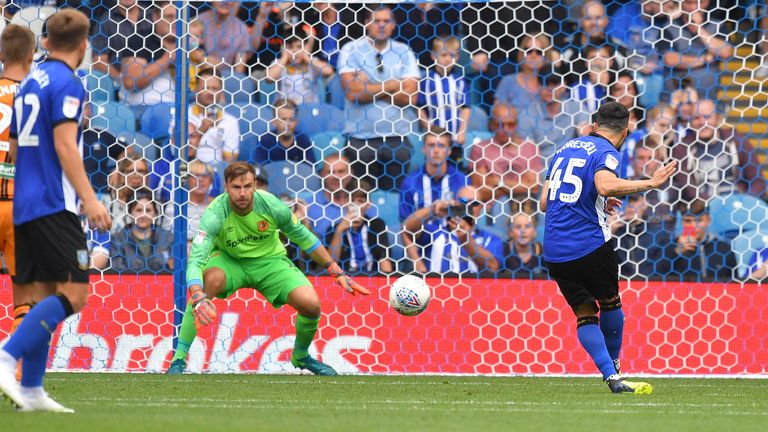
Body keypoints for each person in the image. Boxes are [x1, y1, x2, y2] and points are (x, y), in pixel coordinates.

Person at [0, 9, 112, 412]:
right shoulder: (68, 82)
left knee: (45, 292)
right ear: (84, 46)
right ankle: (7, 355)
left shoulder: (31, 81)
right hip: (53, 204)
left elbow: (13, 146)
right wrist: (91, 197)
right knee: (74, 293)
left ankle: (31, 389)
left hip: (23, 202)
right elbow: (65, 145)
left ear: (46, 41)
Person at [165, 162, 369, 375]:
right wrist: (198, 295)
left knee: (311, 304)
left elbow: (303, 236)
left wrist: (335, 270)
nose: (243, 193)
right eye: (236, 187)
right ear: (226, 187)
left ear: (255, 185)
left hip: (270, 262)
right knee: (209, 282)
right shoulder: (215, 214)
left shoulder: (271, 205)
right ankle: (178, 360)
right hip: (229, 261)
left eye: (248, 186)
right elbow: (196, 260)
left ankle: (301, 356)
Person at [540, 101, 676, 394]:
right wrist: (651, 183)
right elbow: (604, 185)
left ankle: (610, 378)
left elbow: (544, 202)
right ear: (626, 131)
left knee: (585, 313)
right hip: (588, 244)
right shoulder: (607, 152)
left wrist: (597, 200)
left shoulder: (565, 149)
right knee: (611, 302)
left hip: (554, 248)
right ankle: (615, 366)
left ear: (593, 125)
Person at [338, 4, 419, 191]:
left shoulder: (404, 52)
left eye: (386, 21)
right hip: (360, 139)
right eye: (376, 21)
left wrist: (369, 85)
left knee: (394, 199)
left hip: (396, 139)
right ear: (367, 23)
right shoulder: (350, 49)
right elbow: (353, 93)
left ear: (393, 24)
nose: (381, 25)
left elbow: (410, 97)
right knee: (361, 201)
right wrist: (393, 84)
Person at [0, 23, 36, 383]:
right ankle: (22, 378)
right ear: (31, 56)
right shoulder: (35, 96)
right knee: (25, 298)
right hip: (22, 206)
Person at [403, 185, 504, 274]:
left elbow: (493, 266)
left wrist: (466, 239)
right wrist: (432, 210)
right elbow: (407, 228)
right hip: (436, 289)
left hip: (472, 292)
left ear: (481, 207)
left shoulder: (489, 238)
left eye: (473, 203)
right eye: (463, 201)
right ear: (454, 202)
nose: (467, 206)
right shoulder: (434, 232)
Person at [418, 36, 471, 160]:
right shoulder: (426, 81)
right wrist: (429, 128)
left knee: (454, 168)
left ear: (457, 57)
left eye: (451, 55)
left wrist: (462, 132)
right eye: (443, 55)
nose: (447, 59)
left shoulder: (460, 81)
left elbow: (466, 108)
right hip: (435, 138)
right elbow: (420, 108)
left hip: (455, 139)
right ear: (433, 56)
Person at [326, 184, 393, 274]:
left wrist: (386, 281)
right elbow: (331, 264)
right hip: (345, 277)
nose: (356, 205)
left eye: (360, 201)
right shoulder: (334, 229)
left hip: (372, 275)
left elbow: (384, 257)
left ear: (368, 204)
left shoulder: (377, 225)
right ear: (345, 203)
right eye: (352, 201)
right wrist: (340, 230)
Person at [667, 199, 737, 282]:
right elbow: (657, 279)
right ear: (682, 222)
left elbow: (735, 284)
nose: (693, 225)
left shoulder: (724, 249)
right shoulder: (670, 247)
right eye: (688, 221)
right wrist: (677, 253)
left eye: (699, 220)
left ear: (708, 220)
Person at [265, 27, 334, 105]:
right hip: (285, 110)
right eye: (290, 47)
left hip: (308, 110)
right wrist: (284, 57)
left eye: (299, 47)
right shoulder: (279, 63)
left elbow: (328, 71)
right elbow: (269, 78)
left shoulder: (312, 64)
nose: (295, 51)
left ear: (306, 47)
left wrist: (307, 57)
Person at [110, 190, 173, 273]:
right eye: (139, 210)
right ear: (130, 213)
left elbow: (174, 269)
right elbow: (118, 271)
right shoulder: (118, 239)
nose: (143, 215)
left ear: (155, 213)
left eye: (148, 210)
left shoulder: (168, 237)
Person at [240, 98, 316, 164]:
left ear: (296, 122)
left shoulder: (302, 139)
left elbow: (310, 168)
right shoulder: (265, 140)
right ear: (274, 122)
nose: (288, 124)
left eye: (291, 120)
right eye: (283, 119)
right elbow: (261, 168)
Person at [188, 69, 240, 164]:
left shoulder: (230, 121)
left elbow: (230, 162)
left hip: (217, 173)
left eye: (214, 88)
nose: (210, 92)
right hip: (187, 168)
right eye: (205, 88)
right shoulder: (182, 116)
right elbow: (175, 152)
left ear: (221, 91)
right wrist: (201, 130)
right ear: (196, 90)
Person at [504, 213, 545, 279]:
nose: (523, 231)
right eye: (518, 227)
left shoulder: (542, 251)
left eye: (527, 226)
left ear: (535, 232)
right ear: (510, 232)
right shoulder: (504, 249)